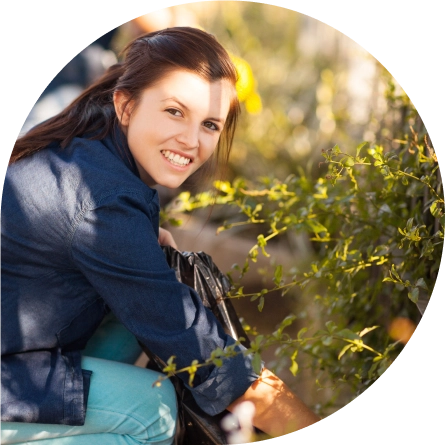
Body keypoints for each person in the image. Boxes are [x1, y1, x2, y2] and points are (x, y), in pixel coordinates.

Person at [0, 27, 320, 444]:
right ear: (126, 105)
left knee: (137, 322)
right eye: (174, 111)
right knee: (155, 410)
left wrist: (143, 241)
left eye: (209, 124)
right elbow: (210, 359)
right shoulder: (103, 202)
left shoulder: (89, 146)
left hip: (20, 348)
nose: (190, 141)